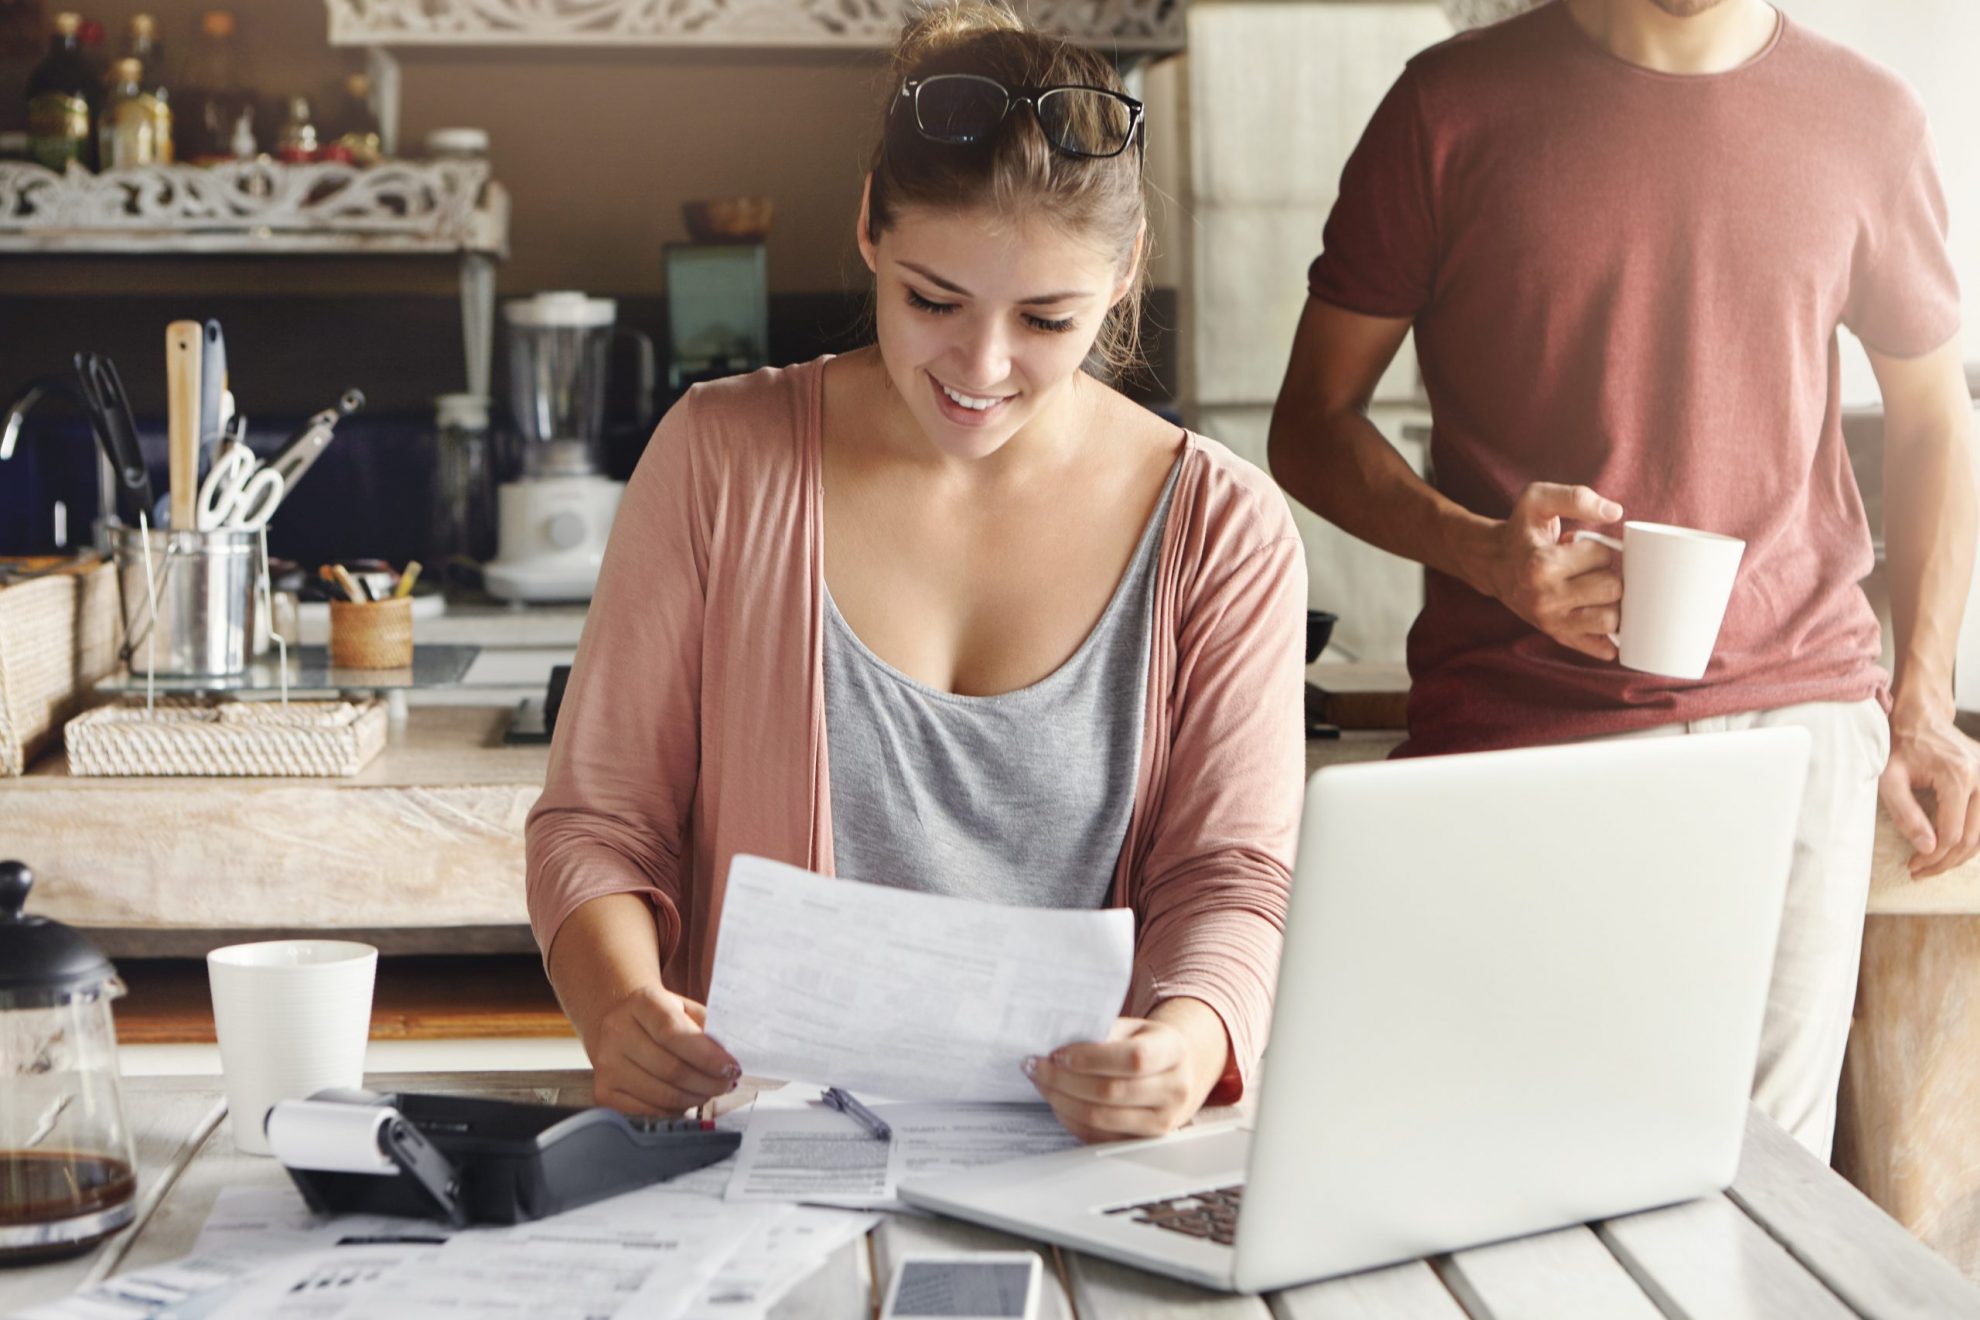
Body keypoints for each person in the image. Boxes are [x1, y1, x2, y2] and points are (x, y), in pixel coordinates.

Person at [527, 2, 1306, 1144]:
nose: (980, 368)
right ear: (869, 233)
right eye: (932, 301)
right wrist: (620, 1007)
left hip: (1081, 1168)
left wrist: (1187, 1045)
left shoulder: (1223, 529)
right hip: (756, 1157)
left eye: (1046, 318)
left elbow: (1231, 877)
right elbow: (599, 825)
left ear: (1127, 270)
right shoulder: (719, 457)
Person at [1268, 0, 1978, 1159]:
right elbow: (1309, 423)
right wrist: (1483, 551)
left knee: (1759, 1188)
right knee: (1510, 1173)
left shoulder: (1869, 118)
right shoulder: (1445, 110)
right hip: (1516, 729)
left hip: (1795, 724)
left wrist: (1926, 703)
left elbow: (1937, 423)